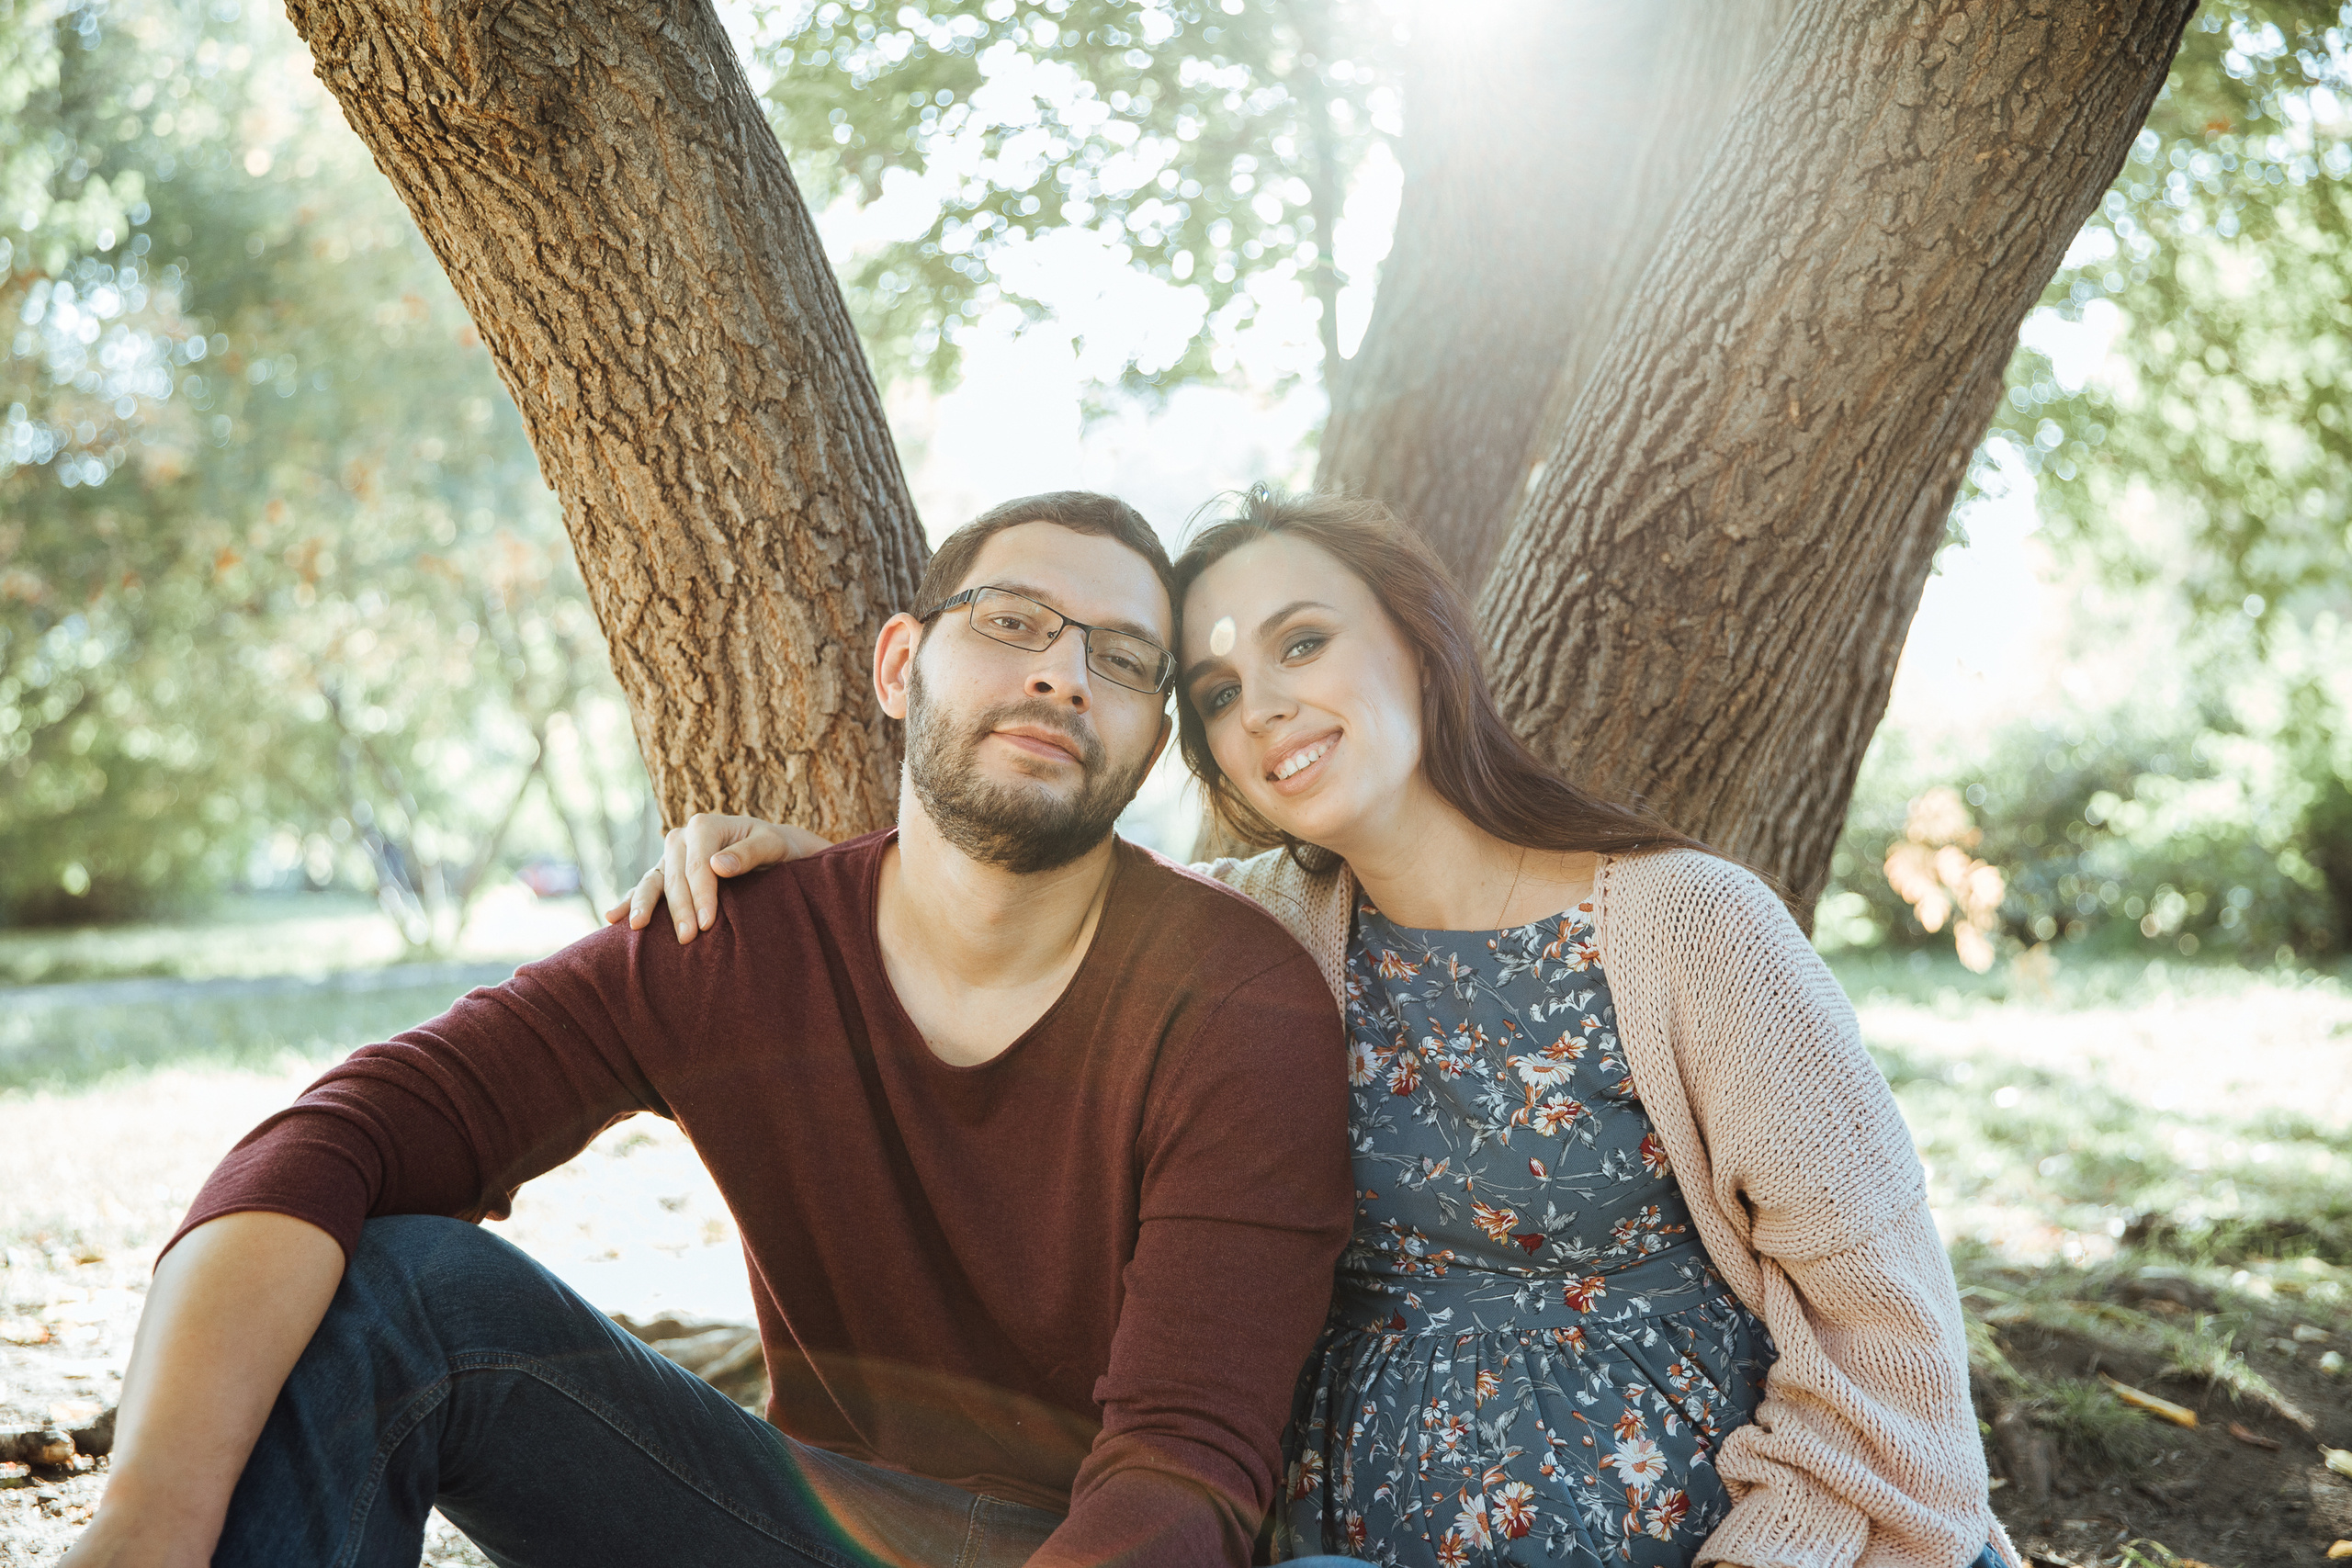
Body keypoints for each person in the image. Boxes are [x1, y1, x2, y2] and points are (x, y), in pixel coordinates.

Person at [620, 488, 2018, 1568]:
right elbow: (985, 912)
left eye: (1302, 641)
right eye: (1219, 693)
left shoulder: (1688, 929)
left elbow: (1884, 1353)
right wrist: (798, 879)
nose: (1267, 702)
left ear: (1417, 642)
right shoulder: (1249, 936)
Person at [62, 491, 1368, 1568]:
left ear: (1148, 743)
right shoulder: (734, 941)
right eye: (1013, 620)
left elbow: (1185, 1466)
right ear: (901, 666)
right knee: (407, 1287)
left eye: (1124, 659)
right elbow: (344, 1135)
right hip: (799, 1524)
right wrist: (146, 1522)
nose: (1060, 672)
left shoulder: (1234, 1000)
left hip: (1091, 1544)